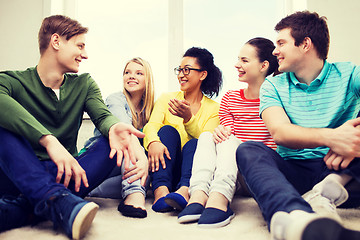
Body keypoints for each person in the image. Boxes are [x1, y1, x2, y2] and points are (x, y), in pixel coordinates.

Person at [0, 15, 144, 239]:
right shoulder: (13, 81)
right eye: (80, 46)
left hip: (67, 173)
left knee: (110, 143)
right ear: (56, 42)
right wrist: (48, 140)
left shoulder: (85, 84)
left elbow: (103, 116)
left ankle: (23, 206)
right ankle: (57, 200)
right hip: (18, 169)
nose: (85, 55)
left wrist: (114, 127)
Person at [235, 11, 360, 240]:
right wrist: (332, 137)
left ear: (305, 44)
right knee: (247, 150)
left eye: (281, 43)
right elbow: (280, 133)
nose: (275, 51)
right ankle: (297, 216)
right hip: (294, 172)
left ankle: (329, 190)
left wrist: (355, 137)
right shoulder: (273, 85)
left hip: (343, 170)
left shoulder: (350, 73)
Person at [177, 38, 278, 228]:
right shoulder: (231, 98)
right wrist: (220, 132)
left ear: (264, 65)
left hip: (257, 174)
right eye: (238, 59)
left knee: (229, 140)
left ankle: (220, 199)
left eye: (244, 61)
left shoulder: (276, 99)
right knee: (209, 135)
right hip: (232, 172)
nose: (237, 65)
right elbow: (225, 135)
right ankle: (198, 195)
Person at [143, 47, 223, 213]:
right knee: (167, 132)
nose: (180, 74)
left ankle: (184, 192)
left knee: (196, 142)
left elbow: (208, 143)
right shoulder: (167, 98)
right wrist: (153, 142)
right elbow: (151, 125)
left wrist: (188, 119)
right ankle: (160, 191)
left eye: (187, 70)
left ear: (202, 74)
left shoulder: (215, 108)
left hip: (192, 174)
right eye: (179, 70)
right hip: (164, 165)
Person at [82, 57, 154, 218]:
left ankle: (91, 187)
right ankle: (134, 193)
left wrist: (147, 162)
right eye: (127, 72)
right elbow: (125, 132)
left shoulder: (150, 111)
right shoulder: (115, 99)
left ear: (147, 79)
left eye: (139, 73)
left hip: (124, 167)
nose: (131, 76)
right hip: (103, 159)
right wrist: (143, 159)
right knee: (128, 144)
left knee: (149, 166)